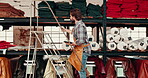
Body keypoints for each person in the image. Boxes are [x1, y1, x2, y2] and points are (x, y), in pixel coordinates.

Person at [61, 8, 91, 78]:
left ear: (74, 17)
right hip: (80, 49)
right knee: (79, 66)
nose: (70, 17)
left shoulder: (80, 26)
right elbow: (73, 32)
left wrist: (73, 44)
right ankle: (87, 74)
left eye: (70, 16)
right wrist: (65, 30)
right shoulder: (77, 25)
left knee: (81, 70)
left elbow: (81, 41)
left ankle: (86, 74)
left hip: (83, 50)